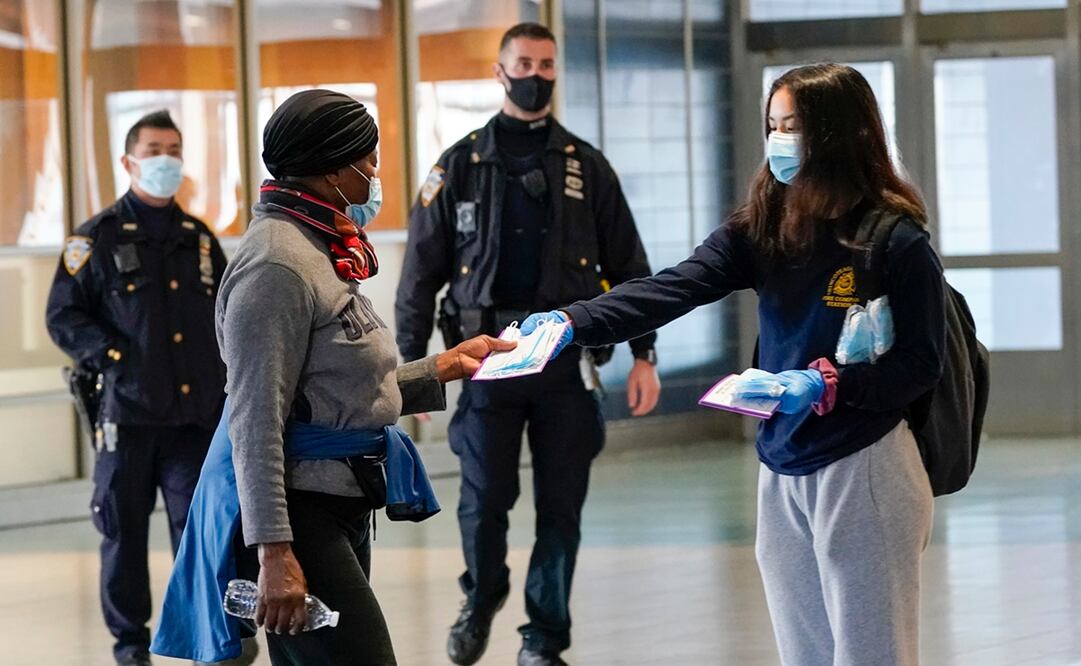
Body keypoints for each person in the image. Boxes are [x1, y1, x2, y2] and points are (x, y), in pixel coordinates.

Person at [522, 63, 945, 666]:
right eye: (772, 125)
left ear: (838, 134)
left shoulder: (895, 242)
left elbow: (920, 364)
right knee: (803, 652)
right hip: (782, 461)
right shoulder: (767, 227)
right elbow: (674, 287)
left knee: (871, 654)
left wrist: (829, 385)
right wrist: (572, 322)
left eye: (792, 126)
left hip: (864, 463)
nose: (778, 140)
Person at [149, 89, 515, 666]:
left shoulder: (317, 247)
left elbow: (334, 387)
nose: (374, 172)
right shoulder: (277, 265)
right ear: (330, 167)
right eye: (366, 159)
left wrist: (445, 366)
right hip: (297, 510)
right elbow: (254, 420)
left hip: (338, 498)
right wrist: (273, 551)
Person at [395, 22, 662, 666]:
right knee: (483, 502)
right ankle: (481, 596)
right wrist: (413, 374)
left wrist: (645, 354)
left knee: (561, 508)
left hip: (566, 361)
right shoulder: (457, 164)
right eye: (524, 63)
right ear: (499, 71)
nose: (536, 75)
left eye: (546, 65)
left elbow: (632, 268)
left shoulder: (586, 166)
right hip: (484, 359)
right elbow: (418, 275)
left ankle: (543, 637)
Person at [45, 110, 231, 666]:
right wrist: (114, 357)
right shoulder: (94, 238)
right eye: (154, 150)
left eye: (173, 148)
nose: (165, 159)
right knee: (122, 537)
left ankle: (206, 633)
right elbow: (63, 315)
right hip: (125, 416)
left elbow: (226, 313)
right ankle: (130, 643)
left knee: (199, 532)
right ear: (129, 162)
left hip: (193, 418)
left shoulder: (198, 240)